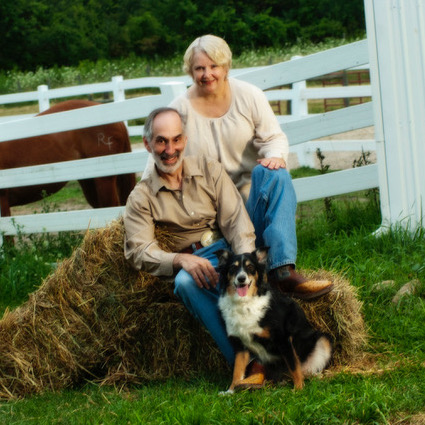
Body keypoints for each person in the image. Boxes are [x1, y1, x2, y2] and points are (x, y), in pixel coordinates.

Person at [168, 34, 333, 299]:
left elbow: (273, 138)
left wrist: (275, 156)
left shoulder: (249, 96)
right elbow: (160, 159)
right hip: (210, 220)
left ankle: (282, 271)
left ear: (226, 67)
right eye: (199, 68)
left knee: (273, 174)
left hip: (249, 206)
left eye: (214, 66)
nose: (207, 74)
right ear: (190, 71)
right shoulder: (179, 110)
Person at [123, 107, 256, 367]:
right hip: (189, 262)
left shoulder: (210, 171)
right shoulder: (140, 197)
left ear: (184, 140)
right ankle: (244, 363)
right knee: (184, 282)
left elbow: (236, 221)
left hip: (225, 249)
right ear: (148, 144)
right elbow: (138, 250)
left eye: (175, 139)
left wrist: (245, 260)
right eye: (161, 141)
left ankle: (275, 341)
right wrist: (180, 260)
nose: (169, 149)